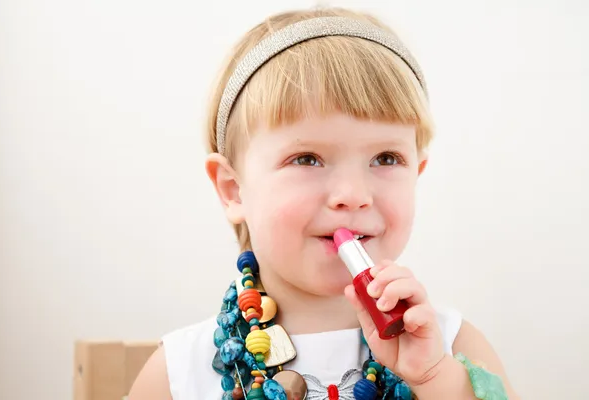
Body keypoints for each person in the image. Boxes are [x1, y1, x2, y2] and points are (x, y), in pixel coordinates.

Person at [129, 6, 519, 400]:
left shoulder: (453, 348)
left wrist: (436, 380)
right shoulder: (177, 374)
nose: (353, 194)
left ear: (417, 172)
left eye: (385, 158)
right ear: (233, 190)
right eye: (307, 159)